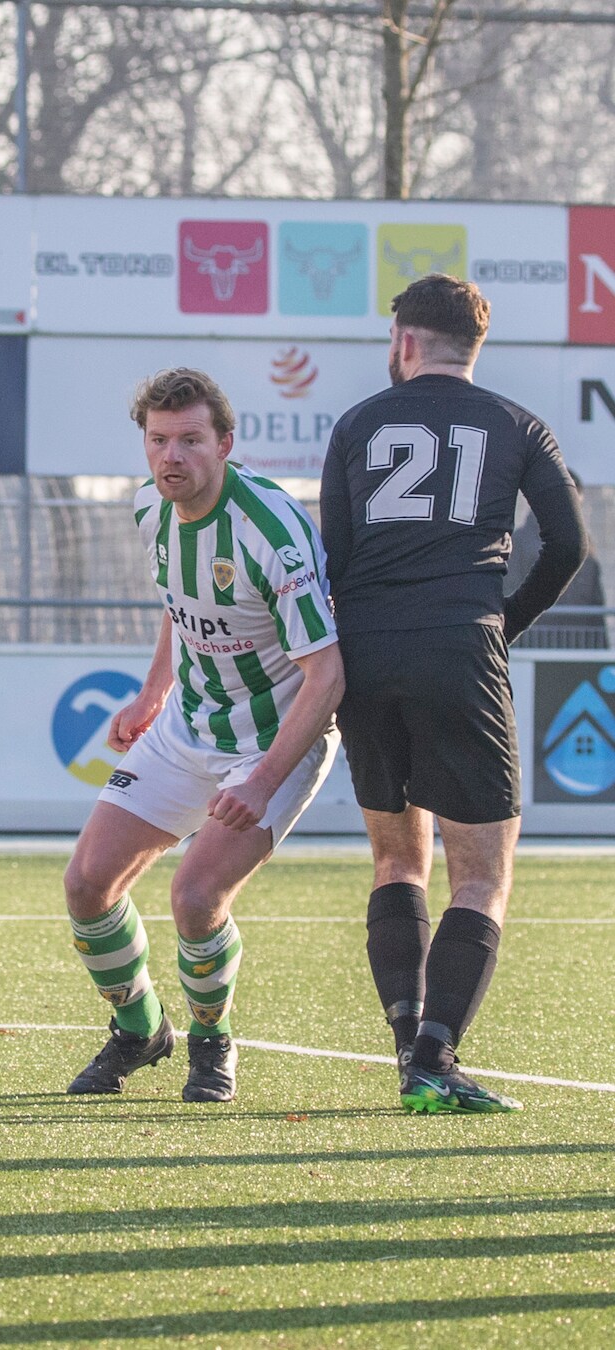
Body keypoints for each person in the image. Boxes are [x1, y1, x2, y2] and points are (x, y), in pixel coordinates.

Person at [320, 273, 588, 1114]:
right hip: (461, 648)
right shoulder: (516, 423)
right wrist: (501, 623)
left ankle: (409, 1047)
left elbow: (334, 556)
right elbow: (570, 545)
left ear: (404, 342)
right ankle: (435, 1061)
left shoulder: (359, 423)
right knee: (482, 875)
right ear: (473, 346)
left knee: (399, 858)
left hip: (366, 655)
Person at [62, 368, 345, 1103]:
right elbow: (177, 599)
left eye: (190, 440)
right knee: (88, 884)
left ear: (225, 442)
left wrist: (261, 780)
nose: (171, 457)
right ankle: (139, 1029)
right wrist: (154, 691)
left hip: (275, 740)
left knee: (194, 897)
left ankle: (212, 1040)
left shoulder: (272, 529)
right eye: (158, 441)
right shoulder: (152, 509)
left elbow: (328, 676)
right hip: (189, 724)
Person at [505, 471, 606, 649]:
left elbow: (595, 610)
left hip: (576, 652)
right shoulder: (517, 544)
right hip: (530, 650)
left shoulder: (588, 554)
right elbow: (508, 593)